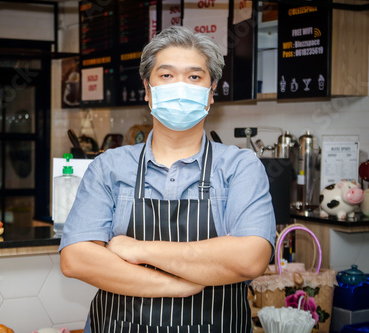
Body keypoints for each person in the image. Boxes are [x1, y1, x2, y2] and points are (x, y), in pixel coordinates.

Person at [59, 25, 276, 333]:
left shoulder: (240, 167)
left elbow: (249, 259)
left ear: (211, 92)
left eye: (194, 77)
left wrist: (138, 249)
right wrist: (178, 286)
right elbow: (77, 259)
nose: (180, 86)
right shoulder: (109, 167)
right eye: (167, 75)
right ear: (147, 89)